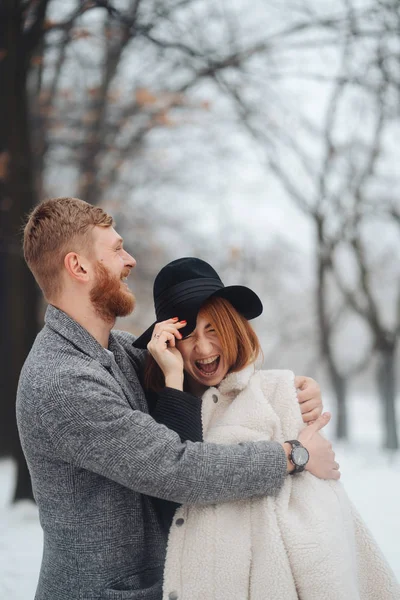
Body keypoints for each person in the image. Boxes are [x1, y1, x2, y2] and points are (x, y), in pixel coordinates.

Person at [17, 197, 336, 600]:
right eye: (116, 249)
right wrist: (292, 455)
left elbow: (204, 379)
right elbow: (176, 468)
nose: (129, 260)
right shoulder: (63, 381)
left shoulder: (116, 351)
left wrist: (292, 390)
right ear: (78, 267)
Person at [135, 257, 400, 600]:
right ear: (168, 342)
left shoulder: (278, 394)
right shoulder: (150, 407)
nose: (202, 347)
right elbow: (177, 487)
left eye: (213, 329)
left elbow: (319, 525)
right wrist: (172, 379)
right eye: (186, 335)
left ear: (233, 328)